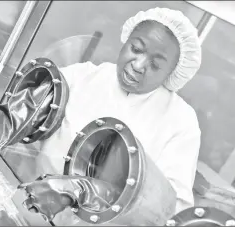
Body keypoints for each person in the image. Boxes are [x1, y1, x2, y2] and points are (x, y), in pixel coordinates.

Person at [34, 7, 202, 216]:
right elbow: (23, 114)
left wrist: (80, 191)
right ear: (126, 40)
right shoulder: (82, 77)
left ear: (172, 73)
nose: (139, 65)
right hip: (34, 210)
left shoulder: (180, 121)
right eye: (136, 49)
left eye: (156, 65)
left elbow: (172, 208)